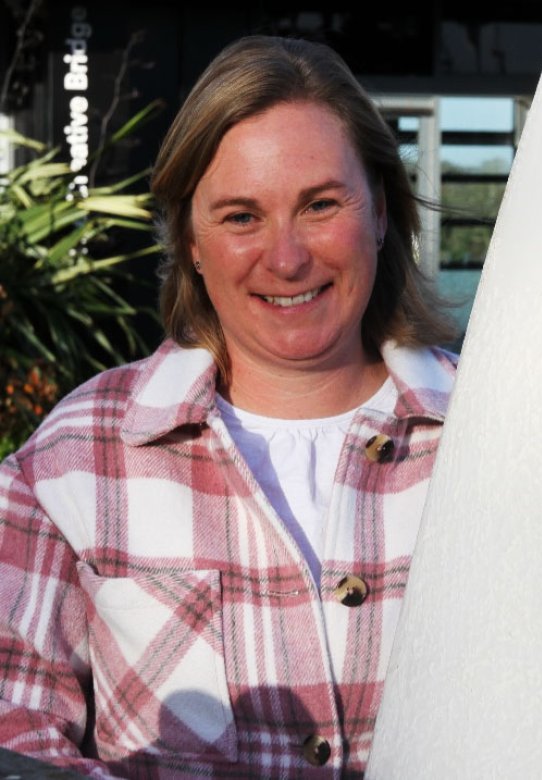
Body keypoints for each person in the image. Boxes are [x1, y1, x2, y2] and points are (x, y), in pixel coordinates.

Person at [0, 35, 458, 778]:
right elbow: (14, 734)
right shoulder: (78, 457)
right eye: (242, 217)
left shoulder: (499, 435)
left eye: (319, 205)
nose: (286, 258)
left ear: (380, 210)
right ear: (190, 244)